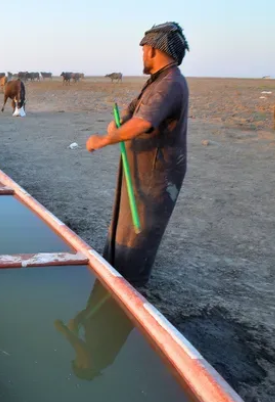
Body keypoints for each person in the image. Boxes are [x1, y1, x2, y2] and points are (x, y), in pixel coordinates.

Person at [86, 22, 190, 286]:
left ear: (154, 50)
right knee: (124, 230)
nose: (142, 56)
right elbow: (131, 117)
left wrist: (105, 139)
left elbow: (143, 124)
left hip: (156, 178)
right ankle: (115, 279)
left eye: (143, 50)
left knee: (138, 236)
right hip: (140, 172)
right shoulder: (155, 82)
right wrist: (117, 126)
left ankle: (130, 293)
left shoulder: (171, 84)